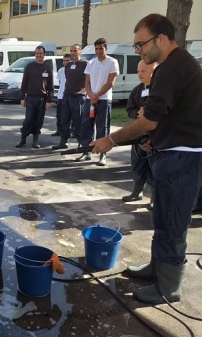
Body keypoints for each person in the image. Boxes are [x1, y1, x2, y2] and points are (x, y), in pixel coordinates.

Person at [90, 14, 202, 304]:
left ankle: (169, 287)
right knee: (163, 217)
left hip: (183, 158)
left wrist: (111, 139)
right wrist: (157, 133)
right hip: (173, 152)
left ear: (161, 38)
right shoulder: (175, 65)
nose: (139, 51)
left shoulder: (172, 68)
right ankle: (157, 267)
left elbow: (150, 119)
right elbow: (172, 113)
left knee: (174, 222)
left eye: (141, 45)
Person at [79, 38, 119, 165]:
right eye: (96, 48)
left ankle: (103, 154)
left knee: (102, 127)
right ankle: (86, 152)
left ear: (106, 48)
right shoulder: (91, 63)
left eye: (101, 48)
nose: (98, 51)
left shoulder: (112, 62)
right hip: (90, 100)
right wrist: (91, 95)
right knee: (86, 125)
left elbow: (111, 82)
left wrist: (97, 95)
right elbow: (87, 82)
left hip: (104, 99)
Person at [122, 60, 156, 204]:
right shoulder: (137, 90)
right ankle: (137, 192)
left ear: (153, 71)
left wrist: (148, 113)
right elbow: (129, 110)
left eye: (143, 71)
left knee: (155, 168)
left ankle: (155, 198)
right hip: (138, 135)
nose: (139, 74)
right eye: (138, 71)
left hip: (156, 137)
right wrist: (138, 113)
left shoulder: (159, 90)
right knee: (138, 164)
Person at [15, 46, 53, 149]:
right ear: (34, 54)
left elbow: (50, 85)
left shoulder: (48, 67)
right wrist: (22, 97)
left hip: (42, 98)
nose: (38, 55)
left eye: (40, 53)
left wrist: (49, 100)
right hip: (30, 98)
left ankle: (35, 141)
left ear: (44, 54)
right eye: (36, 53)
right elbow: (24, 82)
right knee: (29, 119)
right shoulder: (29, 66)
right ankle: (23, 139)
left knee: (39, 120)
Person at [52, 45, 87, 150]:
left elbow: (89, 79)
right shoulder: (68, 65)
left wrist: (85, 91)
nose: (73, 52)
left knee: (78, 121)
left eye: (75, 50)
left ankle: (82, 144)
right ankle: (63, 141)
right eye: (71, 51)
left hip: (78, 97)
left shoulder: (85, 64)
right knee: (63, 121)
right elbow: (67, 79)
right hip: (66, 97)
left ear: (80, 51)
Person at [51, 53, 71, 137]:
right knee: (59, 115)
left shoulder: (72, 69)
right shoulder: (60, 70)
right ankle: (58, 130)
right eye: (64, 60)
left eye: (67, 60)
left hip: (69, 96)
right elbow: (60, 83)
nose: (65, 62)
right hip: (60, 96)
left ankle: (69, 131)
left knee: (67, 116)